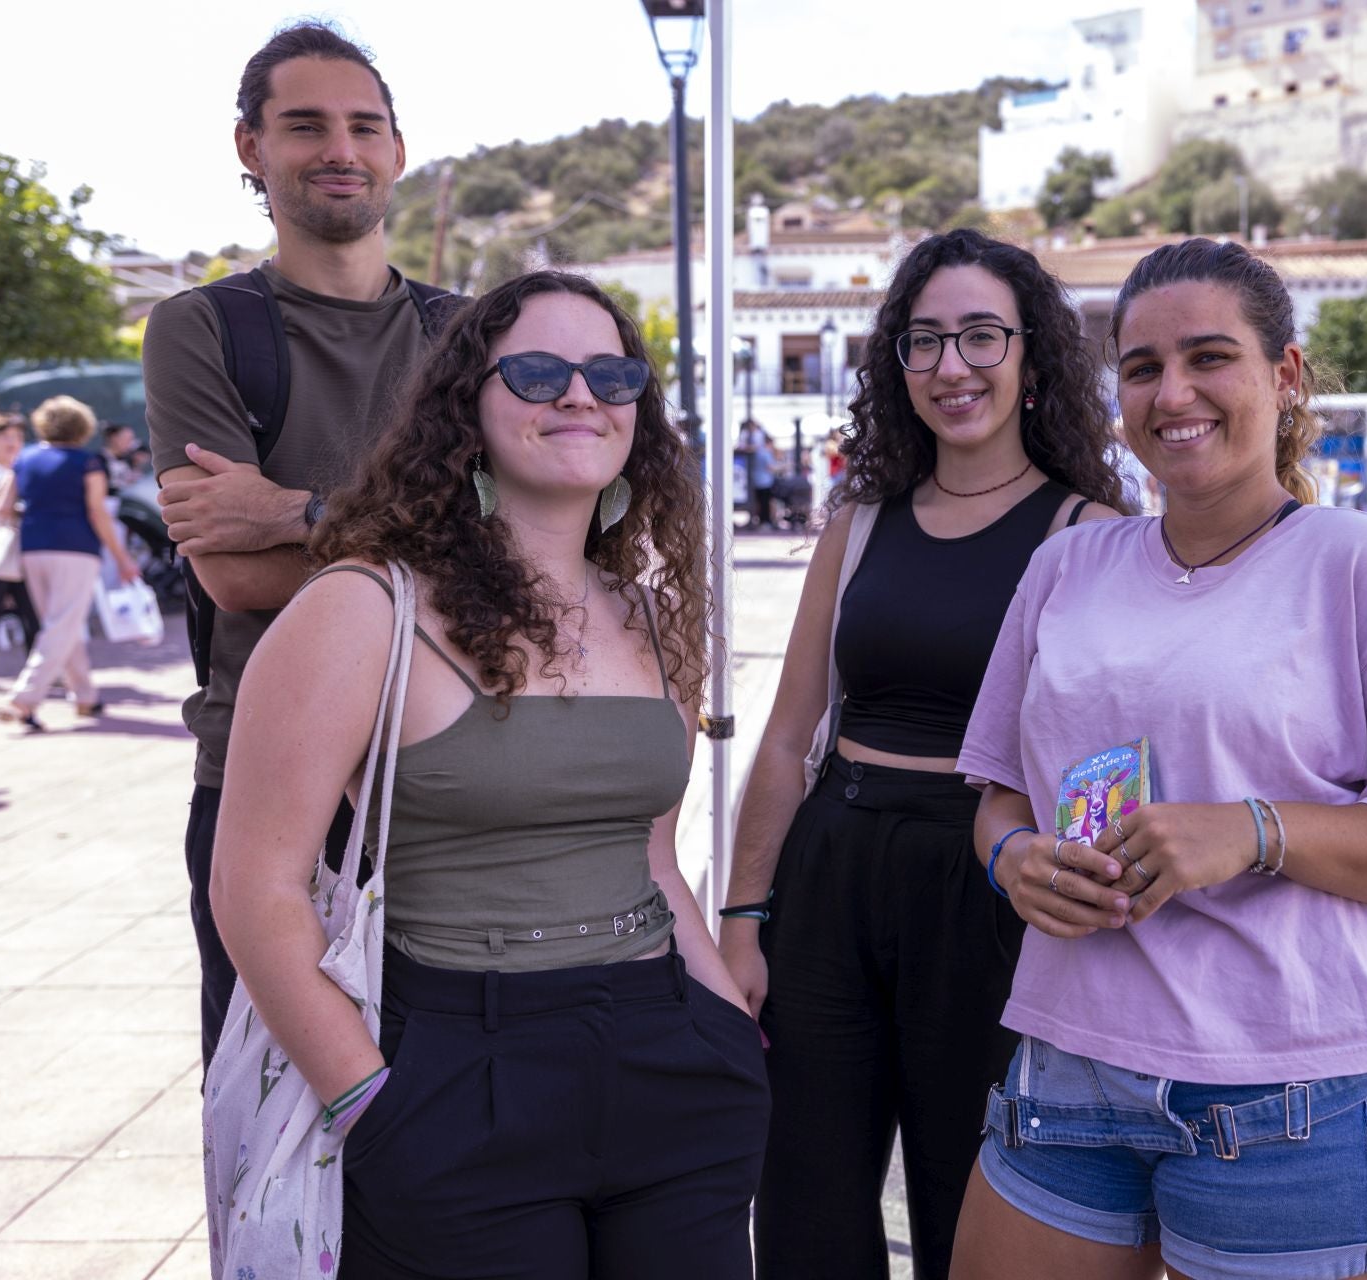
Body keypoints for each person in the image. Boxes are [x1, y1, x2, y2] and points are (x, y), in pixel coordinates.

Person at [951, 238, 1367, 1280]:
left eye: (1211, 356)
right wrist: (1015, 857)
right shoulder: (1067, 565)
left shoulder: (1361, 565)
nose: (1174, 392)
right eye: (1142, 366)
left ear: (1285, 376)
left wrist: (1255, 830)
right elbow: (998, 790)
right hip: (1069, 1066)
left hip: (1299, 1093)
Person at [212, 270, 768, 1276]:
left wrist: (726, 1022)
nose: (579, 393)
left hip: (671, 1060)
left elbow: (655, 858)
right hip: (457, 1073)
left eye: (611, 371)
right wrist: (366, 1098)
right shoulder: (364, 608)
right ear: (465, 403)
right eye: (539, 369)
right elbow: (254, 884)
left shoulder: (649, 615)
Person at [719, 227, 1127, 1280]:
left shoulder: (1089, 531)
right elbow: (786, 734)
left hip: (984, 882)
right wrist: (741, 917)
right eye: (925, 340)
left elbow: (1103, 758)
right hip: (832, 868)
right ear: (896, 366)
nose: (953, 367)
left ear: (1034, 355)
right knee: (805, 1201)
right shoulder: (857, 520)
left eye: (982, 336)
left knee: (970, 1208)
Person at [145, 23, 447, 1065]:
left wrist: (301, 515)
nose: (340, 148)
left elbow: (534, 543)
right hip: (271, 794)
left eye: (365, 126)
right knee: (280, 1141)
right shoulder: (204, 328)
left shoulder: (473, 337)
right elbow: (231, 576)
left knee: (454, 1131)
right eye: (305, 124)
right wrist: (441, 547)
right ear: (250, 147)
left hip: (453, 777)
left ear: (398, 151)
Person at [0, 397, 140, 732]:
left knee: (60, 622)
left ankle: (85, 695)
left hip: (33, 547)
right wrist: (122, 558)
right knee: (62, 623)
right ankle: (24, 699)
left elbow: (3, 507)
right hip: (76, 547)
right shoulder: (86, 462)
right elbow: (97, 512)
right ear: (81, 426)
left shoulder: (25, 458)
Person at [0, 415, 42, 669]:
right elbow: (1, 507)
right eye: (7, 437)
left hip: (23, 554)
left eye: (19, 437)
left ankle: (37, 673)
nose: (14, 443)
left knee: (34, 617)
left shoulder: (24, 468)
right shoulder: (8, 471)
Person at [101, 422, 141, 491]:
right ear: (114, 438)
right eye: (128, 439)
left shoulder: (128, 460)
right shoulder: (99, 461)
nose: (131, 443)